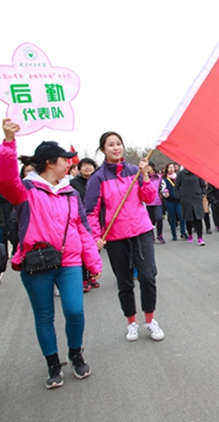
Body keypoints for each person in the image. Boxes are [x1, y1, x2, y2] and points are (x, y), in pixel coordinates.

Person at [0, 118, 103, 388]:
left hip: (69, 263)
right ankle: (53, 365)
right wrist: (8, 142)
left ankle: (75, 353)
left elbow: (82, 227)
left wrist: (92, 259)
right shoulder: (26, 191)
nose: (70, 163)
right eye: (65, 159)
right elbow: (5, 179)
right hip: (36, 264)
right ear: (50, 163)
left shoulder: (70, 193)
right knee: (44, 317)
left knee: (75, 311)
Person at [84, 132, 165, 342]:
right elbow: (91, 212)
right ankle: (131, 323)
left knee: (148, 276)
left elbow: (149, 197)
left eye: (118, 144)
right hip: (116, 237)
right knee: (125, 282)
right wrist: (96, 236)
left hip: (141, 231)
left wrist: (145, 175)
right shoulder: (98, 178)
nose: (116, 148)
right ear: (103, 150)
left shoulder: (134, 171)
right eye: (111, 145)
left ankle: (150, 320)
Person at [69, 157, 100, 292]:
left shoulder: (98, 180)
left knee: (95, 248)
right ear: (79, 169)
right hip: (80, 219)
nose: (87, 168)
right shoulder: (73, 184)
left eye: (90, 165)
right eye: (84, 166)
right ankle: (84, 278)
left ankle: (93, 274)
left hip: (96, 219)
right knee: (82, 249)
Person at [176, 168, 207, 245]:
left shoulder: (198, 172)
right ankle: (190, 234)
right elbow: (176, 187)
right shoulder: (181, 174)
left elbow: (203, 185)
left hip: (197, 198)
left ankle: (200, 237)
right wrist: (179, 197)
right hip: (186, 198)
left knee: (198, 218)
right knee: (188, 218)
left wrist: (202, 194)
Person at [161, 162, 186, 241]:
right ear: (167, 169)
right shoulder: (164, 179)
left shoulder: (178, 177)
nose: (171, 169)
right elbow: (162, 188)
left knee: (181, 215)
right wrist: (165, 192)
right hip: (169, 201)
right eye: (169, 168)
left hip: (178, 200)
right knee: (172, 218)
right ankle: (174, 234)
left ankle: (183, 231)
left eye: (172, 167)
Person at [145, 162, 165, 245]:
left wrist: (165, 192)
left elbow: (163, 186)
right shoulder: (144, 177)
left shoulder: (159, 177)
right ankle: (151, 235)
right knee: (150, 221)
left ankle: (159, 234)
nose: (147, 168)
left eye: (148, 166)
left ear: (153, 167)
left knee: (159, 218)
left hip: (157, 201)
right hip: (147, 202)